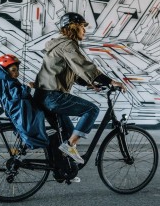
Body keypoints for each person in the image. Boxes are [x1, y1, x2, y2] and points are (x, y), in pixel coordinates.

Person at [33, 12, 126, 164]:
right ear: (74, 27)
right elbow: (84, 66)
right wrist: (110, 81)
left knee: (67, 132)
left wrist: (88, 83)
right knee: (92, 110)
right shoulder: (68, 44)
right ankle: (70, 146)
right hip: (53, 97)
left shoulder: (59, 44)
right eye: (83, 26)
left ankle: (61, 169)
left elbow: (71, 71)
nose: (85, 30)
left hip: (42, 96)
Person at [0, 54, 49, 149]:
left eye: (17, 70)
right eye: (13, 70)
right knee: (36, 119)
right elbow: (16, 95)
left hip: (17, 108)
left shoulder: (4, 81)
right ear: (5, 71)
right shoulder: (8, 81)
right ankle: (39, 142)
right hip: (19, 109)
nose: (17, 73)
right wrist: (27, 87)